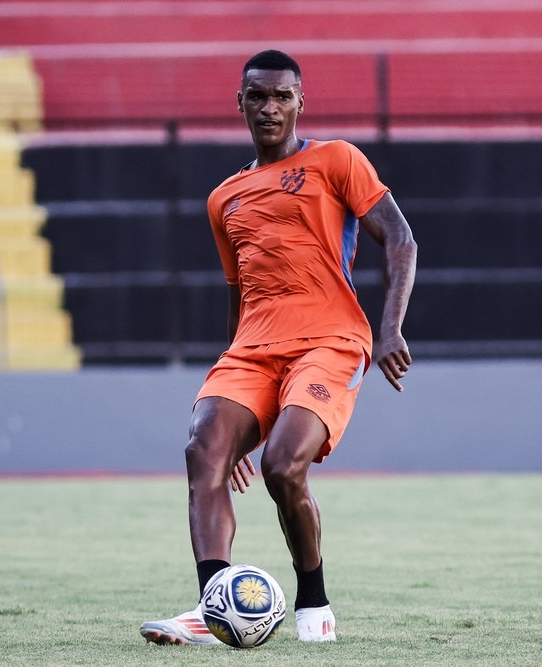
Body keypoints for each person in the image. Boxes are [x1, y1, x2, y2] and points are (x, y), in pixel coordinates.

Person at [140, 49, 417, 645]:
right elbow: (240, 294)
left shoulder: (336, 160)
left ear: (299, 102)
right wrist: (238, 419)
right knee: (204, 448)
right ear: (238, 102)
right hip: (253, 348)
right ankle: (213, 609)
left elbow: (399, 235)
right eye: (257, 96)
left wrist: (391, 326)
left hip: (331, 341)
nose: (269, 107)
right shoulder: (224, 199)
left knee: (281, 466)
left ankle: (313, 602)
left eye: (281, 96)